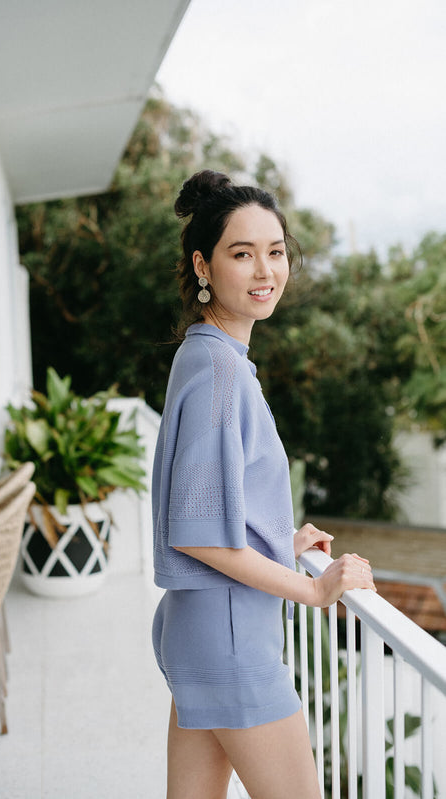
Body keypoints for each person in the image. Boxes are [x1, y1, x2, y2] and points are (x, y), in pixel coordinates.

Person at [151, 170, 375, 799]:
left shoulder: (202, 355)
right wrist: (315, 587)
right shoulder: (222, 373)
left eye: (274, 252)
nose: (264, 271)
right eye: (241, 254)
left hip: (199, 629)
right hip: (229, 641)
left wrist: (276, 535)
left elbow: (213, 505)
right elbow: (198, 536)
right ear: (203, 265)